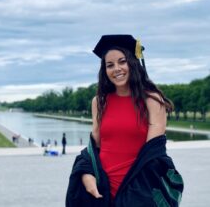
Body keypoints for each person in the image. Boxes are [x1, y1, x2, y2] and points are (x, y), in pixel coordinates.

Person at [66, 35, 184, 206]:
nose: (117, 69)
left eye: (122, 61)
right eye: (110, 65)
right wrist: (86, 173)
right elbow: (93, 148)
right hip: (102, 190)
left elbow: (153, 156)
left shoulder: (151, 100)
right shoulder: (99, 102)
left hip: (139, 191)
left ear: (133, 63)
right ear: (104, 70)